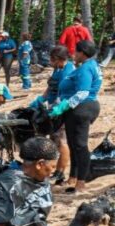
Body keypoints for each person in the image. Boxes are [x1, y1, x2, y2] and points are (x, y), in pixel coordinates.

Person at [50, 39, 102, 194]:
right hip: (79, 108)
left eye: (76, 51)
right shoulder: (90, 65)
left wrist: (63, 106)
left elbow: (83, 92)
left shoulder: (86, 68)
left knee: (80, 145)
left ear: (82, 53)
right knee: (73, 145)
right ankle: (73, 177)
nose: (73, 54)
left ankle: (81, 182)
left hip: (82, 108)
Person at [35, 45, 74, 185]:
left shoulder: (68, 71)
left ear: (58, 59)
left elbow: (64, 92)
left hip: (61, 108)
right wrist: (41, 99)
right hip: (52, 106)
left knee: (61, 141)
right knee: (54, 140)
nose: (50, 62)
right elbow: (51, 86)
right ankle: (54, 170)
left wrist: (57, 108)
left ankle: (60, 172)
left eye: (51, 60)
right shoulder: (58, 69)